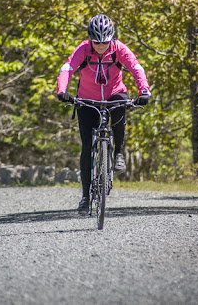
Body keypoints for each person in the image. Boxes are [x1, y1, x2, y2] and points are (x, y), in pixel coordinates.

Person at [56, 14, 151, 215]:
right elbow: (68, 67)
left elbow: (136, 68)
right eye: (96, 42)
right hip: (87, 99)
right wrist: (62, 90)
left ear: (111, 38)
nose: (100, 46)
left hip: (114, 94)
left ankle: (118, 153)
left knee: (119, 108)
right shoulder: (83, 49)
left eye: (104, 42)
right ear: (90, 38)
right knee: (85, 148)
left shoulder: (119, 49)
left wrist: (144, 91)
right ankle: (84, 197)